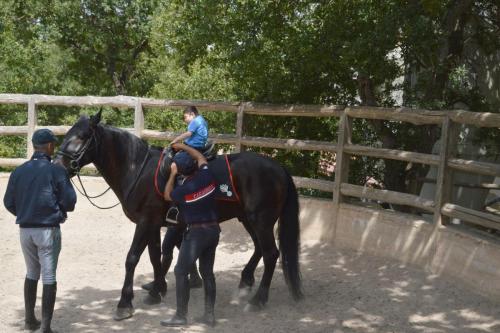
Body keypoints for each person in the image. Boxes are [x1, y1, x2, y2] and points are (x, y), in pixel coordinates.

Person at [3, 129, 77, 333]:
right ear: (51, 146)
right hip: (48, 229)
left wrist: (26, 212)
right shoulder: (57, 170)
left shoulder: (19, 171)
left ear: (35, 146)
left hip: (25, 230)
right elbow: (70, 202)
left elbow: (8, 202)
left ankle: (29, 320)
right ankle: (45, 327)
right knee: (49, 276)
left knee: (31, 272)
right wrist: (58, 208)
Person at [160, 143, 220, 327]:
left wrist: (171, 174)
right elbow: (201, 158)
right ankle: (209, 315)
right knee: (207, 272)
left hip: (196, 234)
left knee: (180, 271)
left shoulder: (182, 191)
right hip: (213, 231)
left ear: (180, 171)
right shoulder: (206, 175)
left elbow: (167, 195)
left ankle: (180, 316)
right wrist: (185, 147)